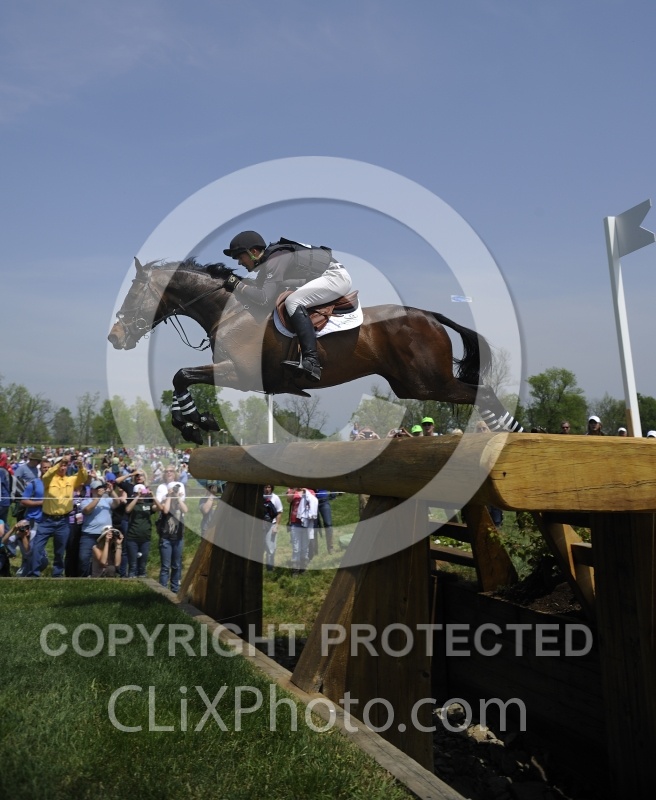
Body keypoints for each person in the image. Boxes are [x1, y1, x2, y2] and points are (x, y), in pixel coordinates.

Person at [223, 231, 353, 382]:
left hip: (335, 277)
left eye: (240, 257)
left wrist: (237, 285)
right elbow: (258, 290)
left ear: (253, 252)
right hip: (326, 276)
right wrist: (239, 284)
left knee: (293, 301)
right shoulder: (270, 260)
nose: (239, 263)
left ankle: (312, 361)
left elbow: (264, 298)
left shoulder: (275, 260)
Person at [29, 455, 88, 577]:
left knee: (60, 551)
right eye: (61, 465)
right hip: (47, 520)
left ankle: (57, 574)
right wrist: (59, 463)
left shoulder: (70, 480)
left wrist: (81, 465)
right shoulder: (49, 479)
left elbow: (83, 477)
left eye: (65, 465)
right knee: (37, 547)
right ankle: (34, 574)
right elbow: (47, 475)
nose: (63, 467)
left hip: (63, 521)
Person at [79, 479, 121, 577]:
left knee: (105, 559)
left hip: (105, 535)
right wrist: (97, 497)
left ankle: (101, 576)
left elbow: (117, 503)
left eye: (101, 487)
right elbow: (87, 510)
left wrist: (112, 491)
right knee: (84, 558)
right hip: (89, 535)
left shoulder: (107, 500)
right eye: (97, 488)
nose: (100, 489)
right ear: (92, 490)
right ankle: (84, 578)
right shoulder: (85, 501)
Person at [155, 481, 188, 594]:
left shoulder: (179, 502)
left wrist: (178, 497)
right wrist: (169, 495)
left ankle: (175, 589)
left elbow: (185, 510)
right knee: (165, 566)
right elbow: (165, 510)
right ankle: (163, 590)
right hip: (166, 538)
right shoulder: (165, 500)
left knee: (176, 565)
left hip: (178, 538)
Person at [124, 481, 156, 578]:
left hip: (145, 538)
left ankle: (142, 579)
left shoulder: (148, 505)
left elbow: (160, 508)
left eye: (143, 493)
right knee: (133, 565)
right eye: (140, 493)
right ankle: (131, 580)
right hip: (132, 538)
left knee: (142, 565)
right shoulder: (132, 504)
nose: (142, 495)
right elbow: (127, 510)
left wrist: (153, 496)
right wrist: (137, 497)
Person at [286, 487, 317, 575]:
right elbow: (288, 500)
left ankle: (303, 568)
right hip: (295, 522)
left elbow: (314, 503)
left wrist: (305, 491)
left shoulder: (311, 491)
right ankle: (295, 569)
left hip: (307, 523)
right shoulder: (292, 490)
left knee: (304, 548)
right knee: (296, 548)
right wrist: (293, 490)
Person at [262, 484, 283, 571]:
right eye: (265, 487)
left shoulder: (275, 498)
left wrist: (276, 526)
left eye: (269, 487)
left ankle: (269, 568)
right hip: (260, 524)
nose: (267, 489)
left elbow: (279, 513)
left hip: (271, 525)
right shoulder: (259, 497)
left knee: (270, 548)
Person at [315, 489, 337, 555]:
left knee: (328, 524)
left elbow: (332, 484)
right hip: (311, 500)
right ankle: (314, 550)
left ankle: (330, 547)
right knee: (314, 526)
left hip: (324, 501)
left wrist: (333, 494)